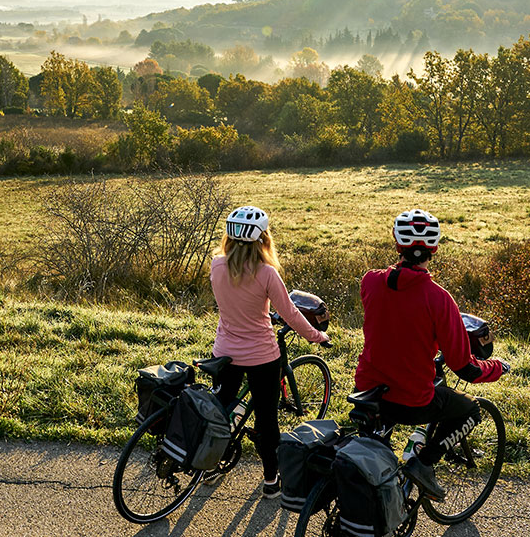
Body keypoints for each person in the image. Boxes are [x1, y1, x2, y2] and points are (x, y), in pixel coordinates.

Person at [354, 209, 510, 501]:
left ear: (397, 242)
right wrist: (496, 367)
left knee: (367, 456)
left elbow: (392, 318)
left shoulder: (370, 281)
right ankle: (424, 465)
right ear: (434, 248)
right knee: (470, 410)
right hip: (410, 399)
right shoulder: (439, 298)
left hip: (367, 390)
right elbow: (464, 367)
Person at [210, 205, 331, 498]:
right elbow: (289, 313)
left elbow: (232, 306)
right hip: (261, 356)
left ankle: (210, 463)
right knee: (266, 420)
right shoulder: (266, 273)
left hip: (224, 352)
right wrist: (317, 336)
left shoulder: (216, 265)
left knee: (219, 410)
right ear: (263, 239)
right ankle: (270, 481)